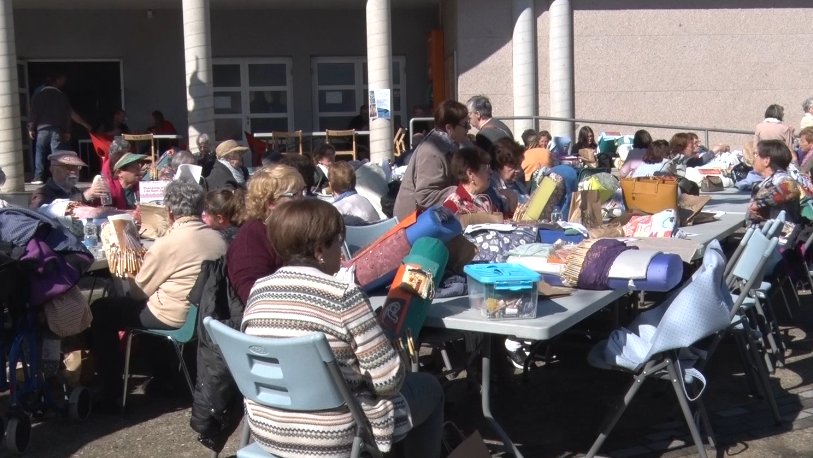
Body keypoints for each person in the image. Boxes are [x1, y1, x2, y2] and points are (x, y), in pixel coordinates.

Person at [242, 199, 443, 457]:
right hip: (333, 436)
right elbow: (388, 381)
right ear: (319, 250)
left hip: (269, 429)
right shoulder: (342, 295)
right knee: (429, 388)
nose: (343, 250)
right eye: (338, 241)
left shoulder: (259, 290)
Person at [90, 179, 227, 407]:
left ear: (170, 211)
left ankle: (111, 389)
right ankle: (164, 377)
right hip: (205, 312)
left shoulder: (169, 243)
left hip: (174, 316)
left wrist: (126, 276)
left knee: (102, 310)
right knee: (142, 307)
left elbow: (137, 293)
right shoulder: (218, 239)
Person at [227, 164, 305, 304]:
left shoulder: (287, 230)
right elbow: (253, 295)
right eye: (295, 195)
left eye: (303, 192)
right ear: (270, 203)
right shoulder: (250, 240)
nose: (302, 200)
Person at [393, 100, 470, 220]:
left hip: (431, 217)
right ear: (449, 128)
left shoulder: (448, 146)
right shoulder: (432, 152)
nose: (469, 128)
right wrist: (460, 192)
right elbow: (425, 196)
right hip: (413, 223)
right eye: (465, 125)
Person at [27, 71, 92, 185]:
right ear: (56, 81)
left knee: (40, 152)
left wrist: (31, 127)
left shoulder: (39, 94)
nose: (64, 82)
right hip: (56, 129)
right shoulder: (61, 95)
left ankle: (38, 177)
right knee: (57, 155)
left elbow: (34, 112)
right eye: (62, 80)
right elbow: (66, 115)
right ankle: (58, 177)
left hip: (42, 129)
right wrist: (67, 130)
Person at [747, 139, 802, 225]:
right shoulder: (769, 180)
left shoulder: (781, 177)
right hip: (765, 234)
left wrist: (759, 204)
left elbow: (790, 188)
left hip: (781, 235)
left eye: (756, 155)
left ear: (766, 161)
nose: (754, 159)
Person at [29, 150, 108, 208]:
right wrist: (84, 196)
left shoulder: (75, 191)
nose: (73, 171)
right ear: (52, 169)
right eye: (68, 167)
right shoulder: (42, 193)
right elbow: (40, 213)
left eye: (77, 167)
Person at [442, 147, 493, 215]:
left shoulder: (483, 199)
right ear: (470, 174)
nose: (491, 172)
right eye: (485, 169)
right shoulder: (453, 205)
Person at [490, 138, 528, 218]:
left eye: (519, 165)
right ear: (499, 165)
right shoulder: (491, 186)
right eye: (513, 166)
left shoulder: (518, 183)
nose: (518, 170)